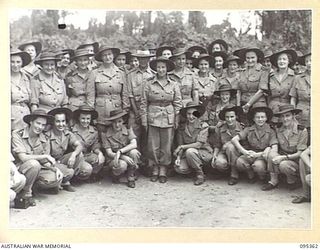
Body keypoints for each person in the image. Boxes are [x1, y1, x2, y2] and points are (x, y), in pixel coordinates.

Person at [140, 56, 182, 183]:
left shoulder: (174, 84)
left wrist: (176, 119)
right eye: (158, 67)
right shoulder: (148, 83)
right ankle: (154, 168)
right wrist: (144, 120)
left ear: (167, 69)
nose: (161, 69)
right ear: (155, 69)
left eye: (163, 67)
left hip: (168, 116)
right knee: (153, 145)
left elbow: (178, 103)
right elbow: (143, 103)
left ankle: (163, 169)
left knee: (166, 144)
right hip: (153, 116)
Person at [11, 109, 62, 205]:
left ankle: (32, 186)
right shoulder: (17, 134)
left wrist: (55, 169)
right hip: (19, 170)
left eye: (43, 125)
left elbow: (44, 161)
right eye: (38, 123)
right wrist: (45, 156)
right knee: (34, 164)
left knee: (55, 178)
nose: (40, 127)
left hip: (36, 169)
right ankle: (26, 193)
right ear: (31, 121)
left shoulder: (44, 138)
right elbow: (23, 157)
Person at [262, 104, 308, 191]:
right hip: (282, 155)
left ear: (293, 116)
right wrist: (269, 149)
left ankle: (293, 181)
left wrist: (283, 158)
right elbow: (274, 143)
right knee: (271, 153)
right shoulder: (278, 128)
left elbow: (300, 153)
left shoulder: (302, 130)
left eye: (287, 116)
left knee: (284, 165)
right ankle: (273, 181)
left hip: (296, 161)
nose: (285, 119)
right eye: (282, 116)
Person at [228, 104, 277, 185]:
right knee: (239, 162)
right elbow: (234, 139)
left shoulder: (271, 131)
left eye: (262, 117)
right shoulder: (249, 129)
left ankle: (262, 177)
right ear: (253, 119)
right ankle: (250, 173)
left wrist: (257, 155)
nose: (260, 119)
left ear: (266, 118)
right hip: (250, 153)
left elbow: (274, 148)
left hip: (262, 155)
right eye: (257, 117)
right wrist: (244, 152)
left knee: (258, 166)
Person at [87, 45, 130, 131]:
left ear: (113, 55)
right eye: (104, 55)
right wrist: (91, 114)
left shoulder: (121, 73)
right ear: (101, 57)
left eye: (109, 54)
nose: (107, 57)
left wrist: (125, 111)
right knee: (101, 135)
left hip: (117, 111)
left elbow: (125, 94)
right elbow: (90, 95)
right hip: (101, 112)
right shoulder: (94, 73)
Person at [47, 107, 92, 186]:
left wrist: (73, 155)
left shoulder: (67, 133)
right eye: (57, 121)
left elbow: (79, 145)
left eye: (63, 121)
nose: (61, 124)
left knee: (82, 159)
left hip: (62, 160)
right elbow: (46, 157)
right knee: (69, 172)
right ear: (53, 122)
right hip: (51, 163)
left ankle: (69, 179)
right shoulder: (47, 135)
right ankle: (64, 181)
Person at [174, 102, 212, 185]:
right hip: (189, 155)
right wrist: (179, 157)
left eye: (194, 114)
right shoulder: (182, 127)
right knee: (179, 168)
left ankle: (200, 174)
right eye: (188, 114)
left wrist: (182, 146)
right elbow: (180, 144)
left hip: (204, 153)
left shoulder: (203, 126)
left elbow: (199, 144)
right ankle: (193, 170)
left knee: (190, 151)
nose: (191, 117)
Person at [126, 50, 154, 161]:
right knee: (134, 136)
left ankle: (148, 164)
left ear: (149, 59)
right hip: (135, 109)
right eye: (140, 59)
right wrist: (136, 112)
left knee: (149, 138)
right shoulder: (131, 75)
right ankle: (134, 165)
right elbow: (130, 95)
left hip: (149, 110)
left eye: (145, 58)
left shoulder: (153, 74)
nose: (143, 61)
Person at [101, 109, 140, 188]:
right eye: (114, 122)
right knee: (122, 165)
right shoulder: (105, 133)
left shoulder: (128, 129)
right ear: (111, 122)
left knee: (134, 152)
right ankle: (115, 175)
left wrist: (120, 151)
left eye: (119, 121)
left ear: (123, 121)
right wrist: (122, 156)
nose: (117, 125)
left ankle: (130, 176)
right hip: (113, 159)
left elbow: (134, 144)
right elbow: (109, 153)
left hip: (123, 154)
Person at [72, 105, 105, 182]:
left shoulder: (93, 131)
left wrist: (100, 153)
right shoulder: (72, 130)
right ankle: (74, 177)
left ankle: (91, 175)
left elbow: (95, 146)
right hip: (75, 156)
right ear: (78, 118)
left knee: (98, 158)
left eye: (88, 119)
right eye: (83, 118)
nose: (85, 121)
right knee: (86, 168)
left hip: (86, 155)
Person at [268, 48, 298, 125]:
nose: (282, 61)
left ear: (289, 61)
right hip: (272, 109)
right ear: (276, 62)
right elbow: (268, 96)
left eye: (284, 59)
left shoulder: (294, 77)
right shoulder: (270, 76)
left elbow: (293, 98)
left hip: (286, 111)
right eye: (279, 59)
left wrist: (292, 114)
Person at [211, 104, 244, 174]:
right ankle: (227, 173)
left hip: (239, 153)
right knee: (219, 163)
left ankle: (234, 173)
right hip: (224, 152)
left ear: (236, 116)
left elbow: (246, 144)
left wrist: (229, 143)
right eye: (227, 117)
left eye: (232, 117)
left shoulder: (242, 128)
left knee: (230, 147)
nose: (229, 119)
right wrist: (215, 155)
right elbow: (217, 144)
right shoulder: (220, 128)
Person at [238, 48, 269, 114]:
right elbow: (239, 90)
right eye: (248, 58)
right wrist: (238, 107)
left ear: (257, 58)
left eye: (252, 58)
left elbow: (261, 91)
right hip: (243, 103)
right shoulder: (242, 71)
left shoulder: (263, 70)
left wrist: (248, 104)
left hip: (258, 103)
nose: (250, 60)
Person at [11, 49, 32, 131]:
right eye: (12, 62)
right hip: (11, 118)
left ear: (22, 63)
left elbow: (31, 98)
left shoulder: (27, 78)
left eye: (18, 62)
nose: (15, 65)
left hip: (25, 117)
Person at [193, 54, 218, 122]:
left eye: (206, 64)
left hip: (209, 108)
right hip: (196, 107)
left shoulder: (214, 80)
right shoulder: (193, 78)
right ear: (198, 65)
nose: (203, 66)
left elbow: (215, 98)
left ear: (209, 65)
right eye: (201, 64)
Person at [290, 52, 311, 130]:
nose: (309, 63)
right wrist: (293, 114)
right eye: (307, 61)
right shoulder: (298, 78)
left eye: (311, 60)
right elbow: (293, 98)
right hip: (301, 117)